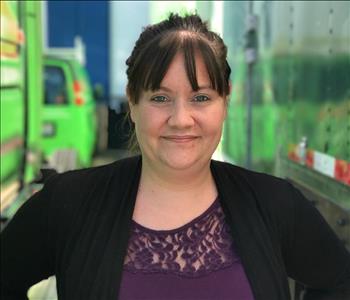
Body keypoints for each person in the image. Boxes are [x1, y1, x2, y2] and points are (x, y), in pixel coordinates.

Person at [1, 13, 350, 300]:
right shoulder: (69, 203)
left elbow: (338, 281)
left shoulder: (276, 204)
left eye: (201, 98)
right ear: (133, 103)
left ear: (225, 102)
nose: (181, 119)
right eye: (160, 98)